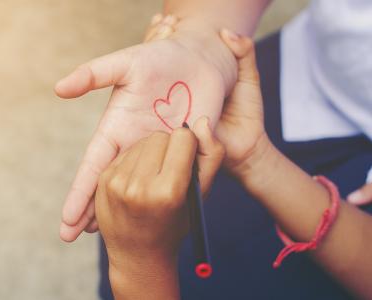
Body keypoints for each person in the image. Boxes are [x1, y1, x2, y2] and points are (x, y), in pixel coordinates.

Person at [96, 30, 372, 299]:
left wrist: (137, 267)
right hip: (303, 81)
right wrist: (196, 39)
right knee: (141, 193)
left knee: (141, 210)